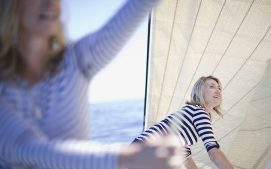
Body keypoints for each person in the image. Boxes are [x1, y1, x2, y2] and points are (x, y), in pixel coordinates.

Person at [0, 0, 183, 169]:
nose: (50, 3)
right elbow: (32, 150)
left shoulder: (75, 60)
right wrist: (130, 156)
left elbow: (130, 15)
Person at [132, 75, 234, 169]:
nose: (218, 90)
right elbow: (213, 152)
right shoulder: (199, 112)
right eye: (212, 86)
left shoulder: (191, 112)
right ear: (200, 91)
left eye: (219, 88)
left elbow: (184, 155)